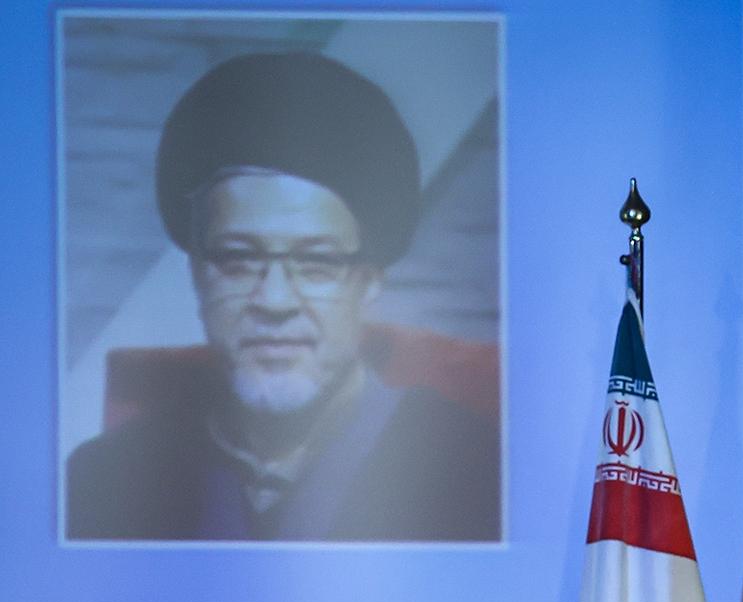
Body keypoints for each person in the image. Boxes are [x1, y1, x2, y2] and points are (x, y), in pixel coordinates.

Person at [65, 51, 499, 542]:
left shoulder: (478, 473)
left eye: (317, 262)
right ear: (197, 275)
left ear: (370, 280)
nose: (274, 302)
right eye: (237, 259)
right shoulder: (99, 482)